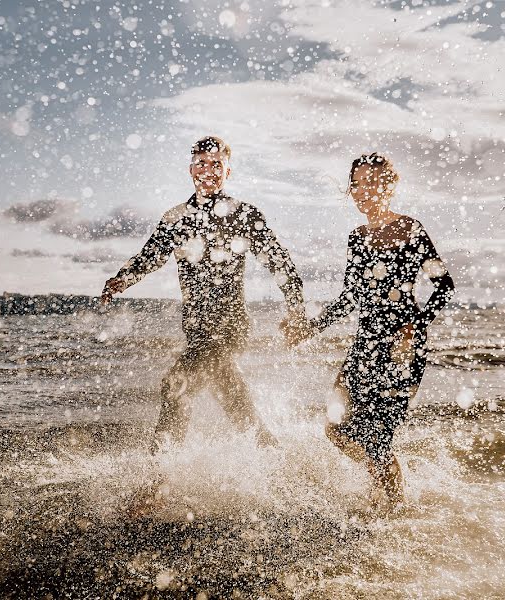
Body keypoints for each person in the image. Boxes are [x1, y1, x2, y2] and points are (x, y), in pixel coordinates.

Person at [102, 135, 306, 453]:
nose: (208, 171)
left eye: (216, 165)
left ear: (228, 172)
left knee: (175, 385)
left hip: (229, 329)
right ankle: (276, 460)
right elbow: (150, 257)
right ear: (190, 169)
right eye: (201, 164)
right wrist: (122, 280)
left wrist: (295, 310)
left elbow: (282, 265)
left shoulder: (243, 215)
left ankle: (160, 473)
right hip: (197, 331)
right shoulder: (176, 218)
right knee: (237, 407)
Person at [283, 153, 455, 509]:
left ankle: (387, 505)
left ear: (389, 185)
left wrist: (415, 325)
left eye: (370, 183)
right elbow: (350, 298)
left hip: (402, 349)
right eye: (356, 184)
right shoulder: (357, 238)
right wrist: (310, 329)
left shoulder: (411, 229)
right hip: (365, 345)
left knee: (378, 438)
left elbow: (445, 285)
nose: (361, 192)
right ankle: (387, 486)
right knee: (336, 427)